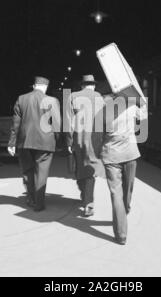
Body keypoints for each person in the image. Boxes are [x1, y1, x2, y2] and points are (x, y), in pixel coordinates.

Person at [8, 76, 61, 212]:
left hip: (25, 141)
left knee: (28, 171)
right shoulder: (52, 100)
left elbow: (15, 124)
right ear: (45, 87)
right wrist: (56, 139)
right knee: (41, 172)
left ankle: (31, 198)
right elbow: (56, 124)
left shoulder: (21, 99)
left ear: (34, 86)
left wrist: (12, 142)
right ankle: (39, 203)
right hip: (45, 141)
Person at [101, 93, 147, 244]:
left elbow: (97, 135)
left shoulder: (103, 111)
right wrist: (143, 100)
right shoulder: (131, 107)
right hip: (130, 154)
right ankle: (124, 215)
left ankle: (121, 233)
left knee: (116, 194)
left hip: (111, 155)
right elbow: (143, 116)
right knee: (128, 189)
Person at [65, 75, 104, 217]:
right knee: (90, 169)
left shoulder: (73, 96)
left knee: (80, 167)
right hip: (95, 139)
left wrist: (69, 142)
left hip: (78, 138)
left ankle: (84, 195)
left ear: (82, 85)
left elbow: (68, 121)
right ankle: (88, 203)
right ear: (93, 85)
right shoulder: (99, 97)